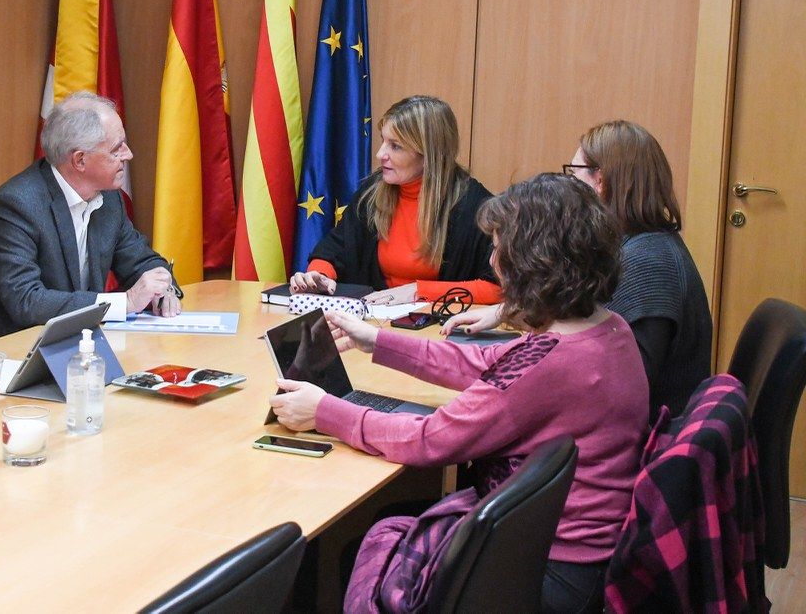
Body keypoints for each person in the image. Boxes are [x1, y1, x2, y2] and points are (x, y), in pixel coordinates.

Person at [271, 173, 648, 612]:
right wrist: (376, 341)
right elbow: (489, 365)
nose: (492, 261)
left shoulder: (552, 362)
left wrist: (325, 412)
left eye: (497, 247)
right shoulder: (603, 328)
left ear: (532, 261)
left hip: (547, 569)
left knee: (362, 546)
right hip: (578, 550)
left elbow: (430, 440)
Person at [445, 120, 711, 418]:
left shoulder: (646, 263)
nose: (567, 185)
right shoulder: (647, 244)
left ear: (602, 181)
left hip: (641, 445)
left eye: (573, 174)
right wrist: (505, 312)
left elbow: (615, 383)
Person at [0, 92, 180, 339]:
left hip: (80, 345)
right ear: (80, 160)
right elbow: (27, 301)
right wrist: (127, 302)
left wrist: (162, 290)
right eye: (116, 149)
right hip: (19, 350)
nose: (128, 154)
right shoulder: (14, 207)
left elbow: (141, 261)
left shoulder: (109, 199)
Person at [289, 95, 501, 306]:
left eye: (395, 146)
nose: (381, 154)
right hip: (373, 323)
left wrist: (418, 291)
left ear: (429, 156)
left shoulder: (476, 207)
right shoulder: (372, 192)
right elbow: (335, 249)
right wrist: (318, 275)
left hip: (437, 331)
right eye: (383, 141)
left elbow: (497, 289)